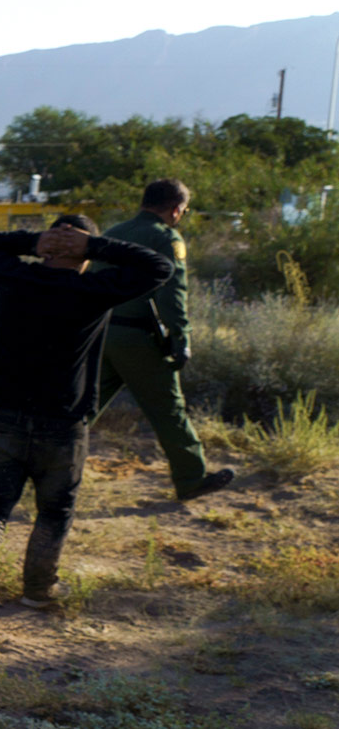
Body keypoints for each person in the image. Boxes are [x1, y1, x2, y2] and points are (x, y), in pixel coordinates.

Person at [0, 217, 172, 636]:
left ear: (48, 247)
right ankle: (38, 589)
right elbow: (159, 267)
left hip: (2, 415)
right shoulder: (95, 290)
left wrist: (35, 241)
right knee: (55, 510)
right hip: (64, 422)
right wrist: (96, 247)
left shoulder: (14, 278)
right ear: (85, 252)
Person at [96, 178, 235, 502]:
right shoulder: (165, 238)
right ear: (175, 210)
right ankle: (191, 478)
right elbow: (172, 293)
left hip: (101, 331)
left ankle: (42, 467)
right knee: (168, 409)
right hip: (139, 336)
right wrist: (180, 337)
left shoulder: (113, 232)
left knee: (84, 405)